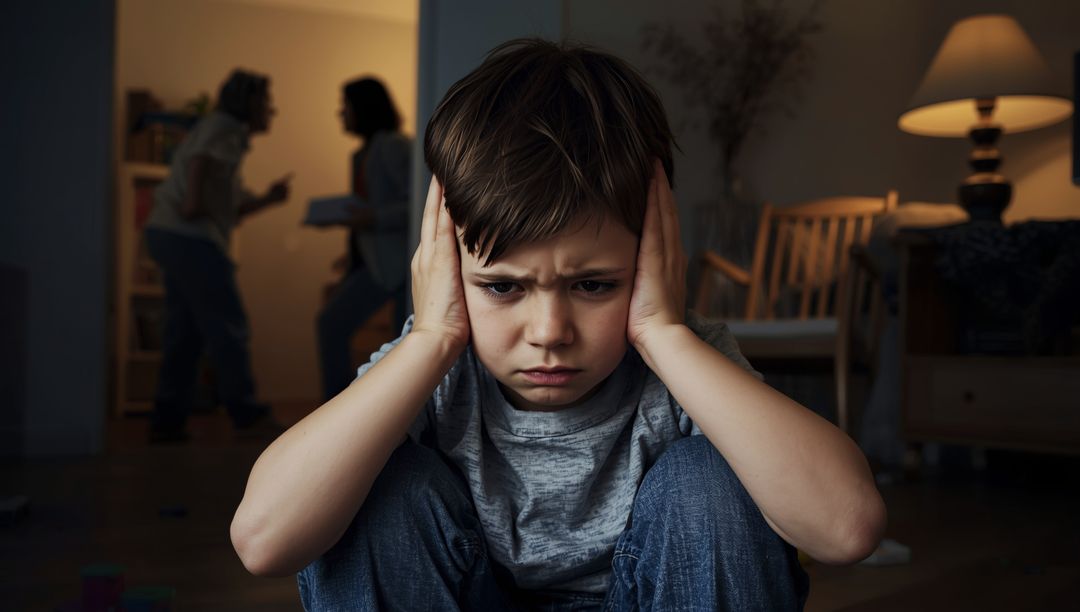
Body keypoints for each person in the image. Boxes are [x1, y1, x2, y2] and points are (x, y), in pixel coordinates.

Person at [231, 40, 886, 610]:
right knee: (378, 484)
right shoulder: (436, 364)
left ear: (651, 260)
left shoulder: (681, 361)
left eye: (594, 284)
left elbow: (847, 528)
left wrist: (664, 334)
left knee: (710, 480)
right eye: (503, 287)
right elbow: (264, 541)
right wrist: (429, 341)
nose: (548, 330)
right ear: (448, 269)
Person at [144, 69, 291, 443]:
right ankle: (246, 413)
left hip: (170, 233)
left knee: (186, 332)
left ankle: (167, 420)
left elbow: (229, 207)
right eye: (264, 102)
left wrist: (269, 199)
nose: (270, 110)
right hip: (189, 237)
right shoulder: (224, 128)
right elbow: (200, 169)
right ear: (248, 103)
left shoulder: (224, 135)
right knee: (228, 324)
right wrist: (193, 202)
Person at [313, 77, 411, 401]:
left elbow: (418, 201)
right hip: (374, 266)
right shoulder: (360, 156)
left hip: (401, 266)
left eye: (346, 106)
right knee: (331, 323)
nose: (340, 113)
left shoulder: (394, 146)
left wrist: (373, 218)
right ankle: (340, 412)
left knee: (405, 346)